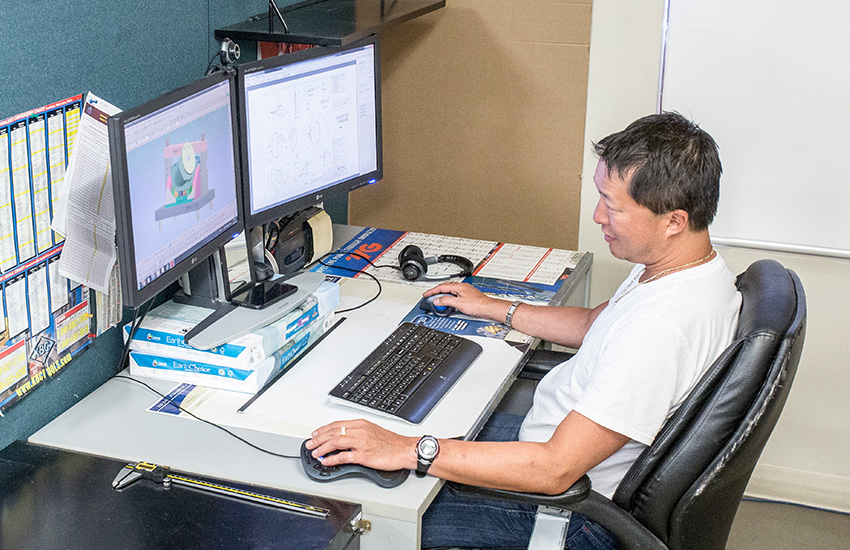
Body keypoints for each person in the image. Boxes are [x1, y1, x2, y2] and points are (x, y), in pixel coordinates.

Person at [305, 112, 742, 550]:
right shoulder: (688, 271)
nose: (597, 216)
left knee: (358, 508)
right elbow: (595, 323)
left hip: (564, 511)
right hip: (549, 447)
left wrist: (408, 449)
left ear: (674, 220)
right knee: (400, 421)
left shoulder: (660, 327)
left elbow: (553, 470)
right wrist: (493, 307)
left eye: (613, 206)